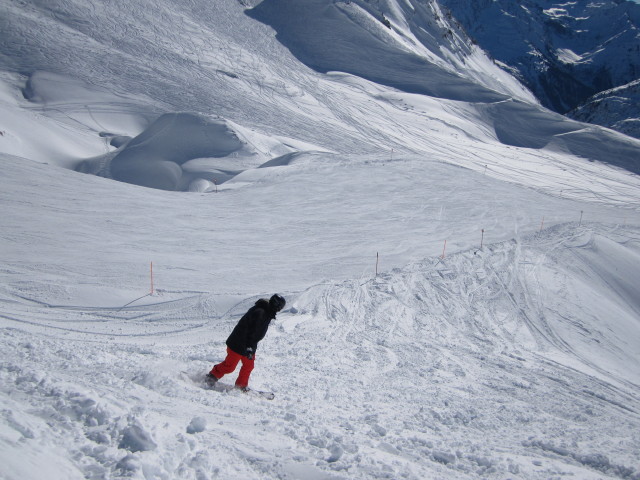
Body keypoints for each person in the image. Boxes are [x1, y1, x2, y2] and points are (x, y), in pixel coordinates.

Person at [207, 294, 286, 390]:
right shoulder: (260, 312)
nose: (279, 310)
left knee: (248, 366)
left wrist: (250, 347)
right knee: (230, 367)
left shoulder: (267, 312)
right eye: (280, 307)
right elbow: (251, 331)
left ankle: (241, 386)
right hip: (237, 343)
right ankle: (211, 376)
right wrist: (249, 347)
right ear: (275, 304)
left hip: (249, 345)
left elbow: (256, 334)